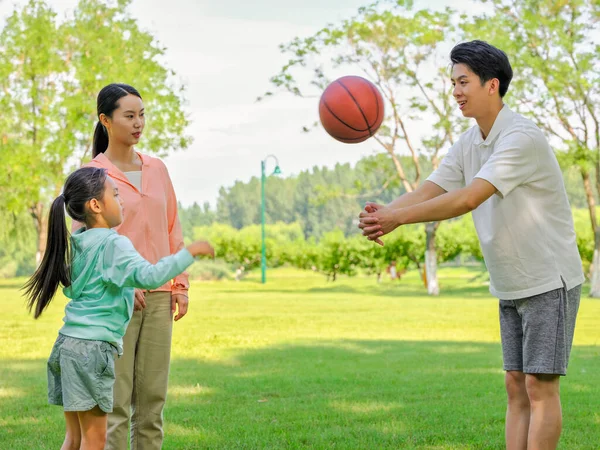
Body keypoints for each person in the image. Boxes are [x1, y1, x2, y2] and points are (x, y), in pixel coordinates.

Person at [358, 40, 584, 450]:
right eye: (453, 83)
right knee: (516, 387)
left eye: (463, 82)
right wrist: (386, 212)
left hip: (549, 278)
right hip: (512, 280)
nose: (456, 91)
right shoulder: (470, 142)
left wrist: (397, 218)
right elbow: (433, 188)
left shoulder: (520, 137)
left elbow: (467, 198)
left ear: (491, 85)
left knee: (540, 387)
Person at [23, 167, 214, 450]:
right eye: (115, 193)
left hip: (67, 346)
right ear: (96, 205)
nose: (121, 200)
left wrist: (126, 286)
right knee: (95, 441)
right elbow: (150, 276)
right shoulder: (114, 244)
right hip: (93, 352)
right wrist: (189, 253)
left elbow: (89, 284)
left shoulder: (76, 243)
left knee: (73, 439)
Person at [75, 83, 191, 449]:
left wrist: (181, 284)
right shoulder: (93, 176)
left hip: (159, 297)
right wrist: (125, 283)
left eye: (142, 114)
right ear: (105, 120)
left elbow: (172, 227)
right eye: (129, 115)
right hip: (115, 304)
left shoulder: (158, 169)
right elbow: (84, 247)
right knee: (115, 405)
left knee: (153, 405)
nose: (138, 123)